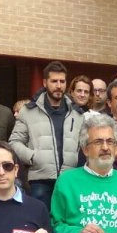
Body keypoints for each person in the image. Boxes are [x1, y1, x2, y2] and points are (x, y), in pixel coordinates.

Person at [50, 112, 117, 233]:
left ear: (116, 148)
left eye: (110, 141)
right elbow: (55, 226)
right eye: (98, 142)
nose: (105, 147)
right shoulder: (66, 181)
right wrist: (79, 232)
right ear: (85, 149)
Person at [10, 61, 85, 205]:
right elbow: (14, 142)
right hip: (40, 179)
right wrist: (33, 157)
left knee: (67, 224)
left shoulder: (77, 113)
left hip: (70, 179)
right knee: (41, 223)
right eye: (54, 81)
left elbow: (84, 145)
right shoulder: (28, 111)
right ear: (45, 82)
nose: (58, 85)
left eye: (62, 81)